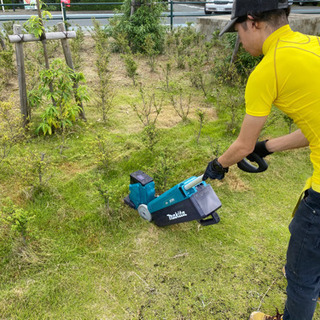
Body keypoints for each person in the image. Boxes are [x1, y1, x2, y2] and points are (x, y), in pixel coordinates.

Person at [202, 0, 320, 319]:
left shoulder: (268, 70)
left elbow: (242, 145)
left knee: (301, 277)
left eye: (238, 30)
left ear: (253, 22)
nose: (239, 39)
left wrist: (217, 165)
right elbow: (314, 127)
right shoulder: (314, 45)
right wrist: (267, 147)